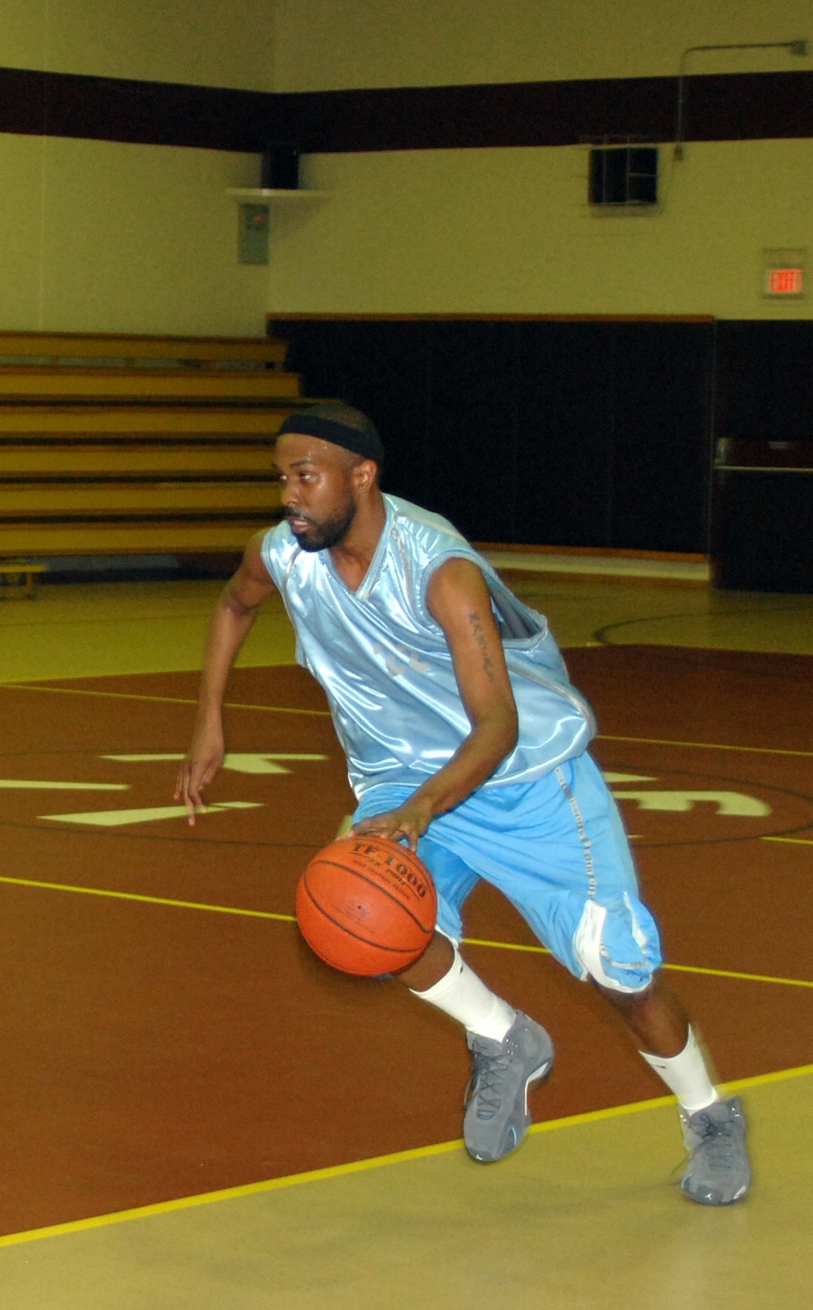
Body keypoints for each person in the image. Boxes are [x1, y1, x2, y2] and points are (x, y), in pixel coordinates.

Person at [173, 402, 752, 1207]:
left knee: (621, 974)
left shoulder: (440, 573)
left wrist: (420, 813)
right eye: (282, 480)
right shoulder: (282, 555)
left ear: (362, 476)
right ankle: (502, 1037)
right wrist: (210, 721)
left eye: (305, 477)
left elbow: (498, 725)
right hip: (397, 775)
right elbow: (235, 606)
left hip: (524, 777)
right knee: (368, 920)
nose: (290, 497)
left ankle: (710, 1113)